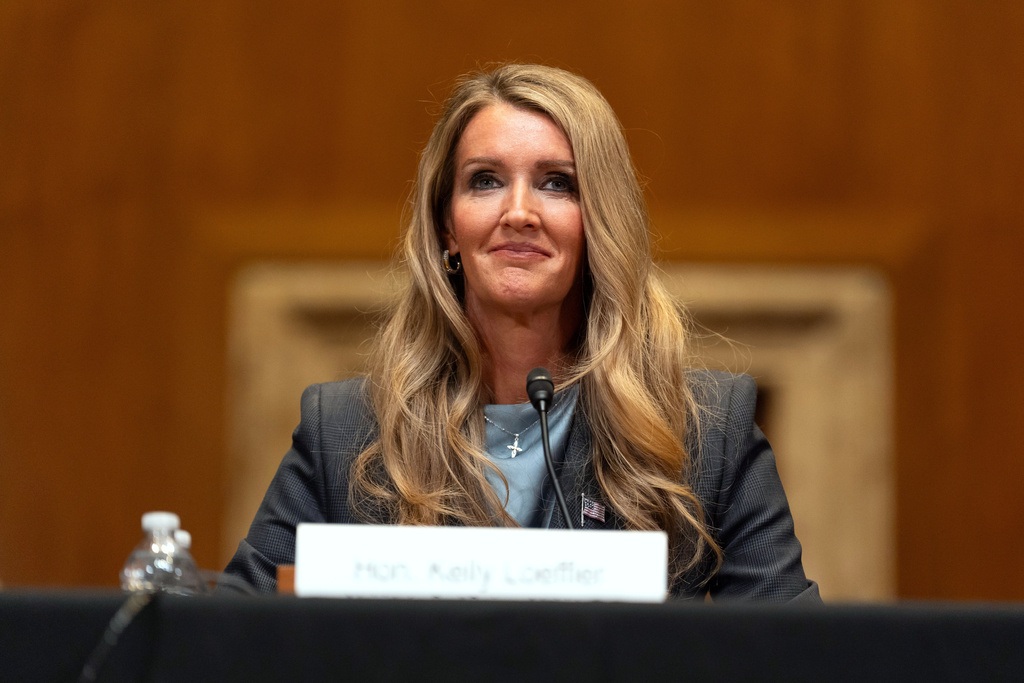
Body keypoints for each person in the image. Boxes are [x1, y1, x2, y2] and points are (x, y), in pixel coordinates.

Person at [225, 63, 819, 602]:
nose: (518, 211)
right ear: (447, 228)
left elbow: (792, 654)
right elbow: (229, 632)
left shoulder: (704, 429)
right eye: (485, 180)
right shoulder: (349, 430)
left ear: (599, 222)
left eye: (556, 182)